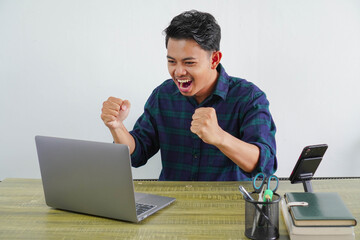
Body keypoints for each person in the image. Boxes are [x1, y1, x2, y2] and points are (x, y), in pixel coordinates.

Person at [101, 10, 277, 181]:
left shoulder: (248, 97)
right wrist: (117, 127)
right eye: (171, 61)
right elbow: (137, 153)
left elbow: (265, 164)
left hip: (227, 206)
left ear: (214, 60)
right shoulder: (163, 95)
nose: (178, 72)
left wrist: (220, 137)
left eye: (189, 62)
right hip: (172, 205)